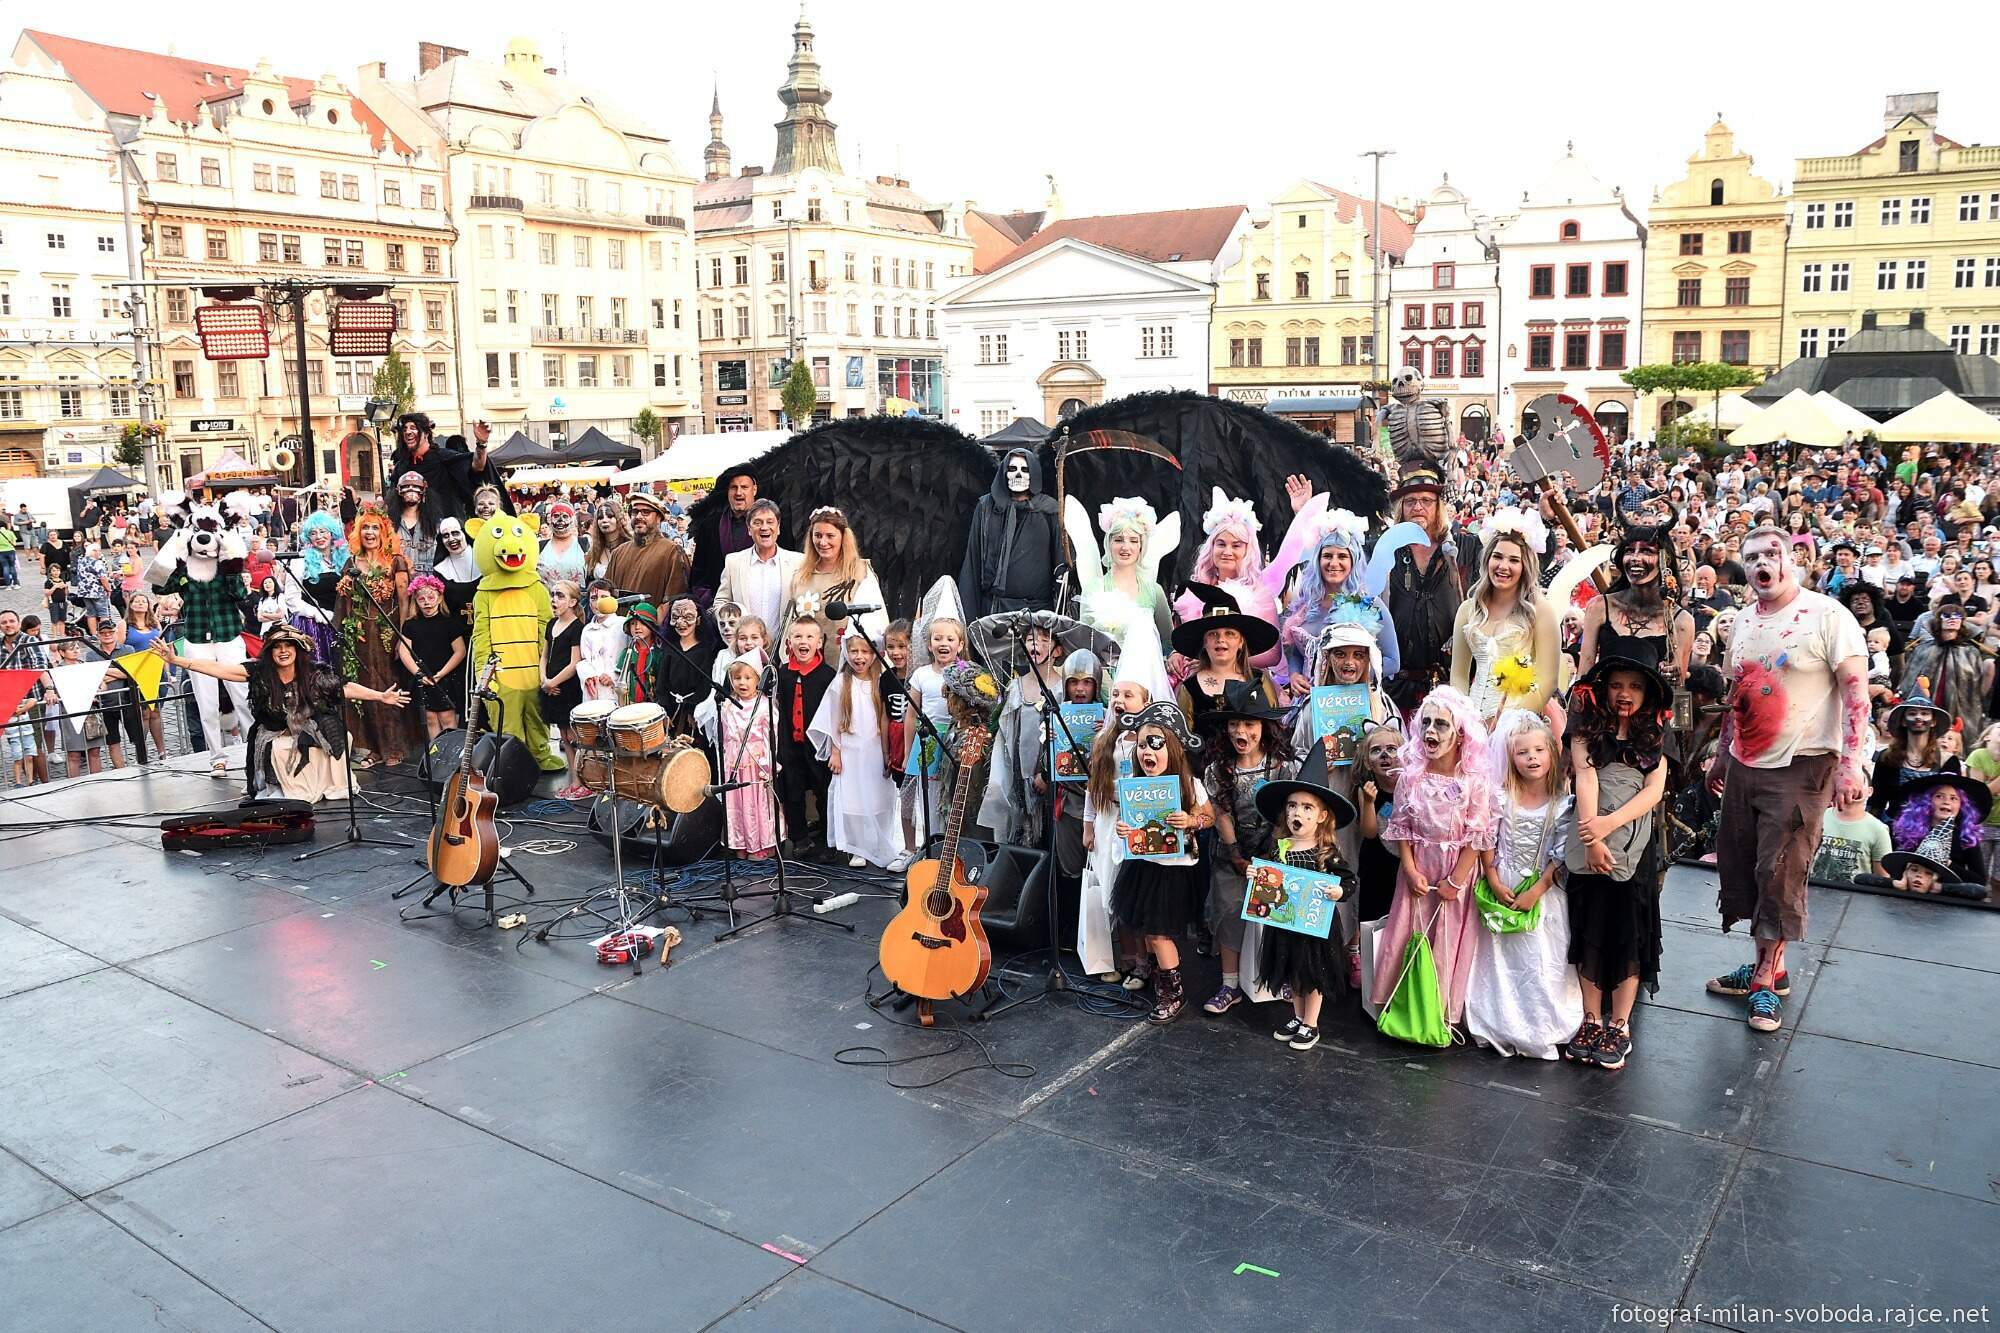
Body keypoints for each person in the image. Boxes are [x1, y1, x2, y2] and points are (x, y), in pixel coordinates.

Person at [1707, 525, 1868, 1035]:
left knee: (1780, 873)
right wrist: (1720, 755)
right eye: (1752, 556)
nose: (1762, 563)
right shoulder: (1744, 622)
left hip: (1801, 767)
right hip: (1744, 764)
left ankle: (1763, 982)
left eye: (1771, 553)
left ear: (1795, 558)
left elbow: (1857, 691)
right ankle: (1767, 967)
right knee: (1746, 867)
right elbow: (1738, 694)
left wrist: (1851, 763)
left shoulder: (1829, 616)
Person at [154, 625, 408, 802]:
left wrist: (380, 696)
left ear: (298, 650)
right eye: (277, 647)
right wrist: (178, 662)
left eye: (289, 646)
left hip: (308, 728)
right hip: (274, 732)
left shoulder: (314, 673)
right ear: (270, 652)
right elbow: (219, 669)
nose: (283, 651)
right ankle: (288, 789)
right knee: (280, 748)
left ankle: (329, 785)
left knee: (338, 733)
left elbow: (345, 687)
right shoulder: (260, 672)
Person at [1562, 657, 1670, 1070]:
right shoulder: (1586, 730)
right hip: (1589, 840)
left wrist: (1609, 824)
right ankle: (1591, 1018)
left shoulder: (1657, 736)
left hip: (1634, 850)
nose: (1625, 694)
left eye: (1635, 686)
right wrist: (1593, 838)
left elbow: (1653, 791)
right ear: (1604, 689)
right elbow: (1585, 778)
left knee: (1629, 932)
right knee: (1588, 926)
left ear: (1646, 694)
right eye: (1617, 685)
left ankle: (1619, 1025)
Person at [1373, 686, 1496, 1026]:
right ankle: (1400, 1007)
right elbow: (1402, 827)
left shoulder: (1474, 780)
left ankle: (1437, 1012)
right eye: (1426, 722)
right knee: (1408, 932)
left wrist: (1456, 880)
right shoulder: (1410, 776)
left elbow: (1477, 836)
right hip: (1419, 868)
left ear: (1459, 733)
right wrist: (1410, 871)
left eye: (1441, 724)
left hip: (1456, 871)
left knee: (1446, 939)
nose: (1430, 731)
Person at [1465, 711, 1581, 1060]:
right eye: (1523, 752)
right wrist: (1494, 879)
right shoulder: (1501, 798)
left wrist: (1538, 888)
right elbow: (1487, 839)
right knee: (1503, 956)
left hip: (1544, 892)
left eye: (1539, 750)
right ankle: (1500, 1019)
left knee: (1541, 956)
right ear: (1510, 758)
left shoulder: (1562, 803)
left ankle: (1542, 1024)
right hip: (1505, 882)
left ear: (1551, 753)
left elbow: (1560, 853)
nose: (1532, 758)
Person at [1103, 700, 1214, 1024]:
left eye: (1156, 744)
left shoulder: (1190, 785)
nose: (1146, 752)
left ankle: (1173, 993)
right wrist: (1125, 827)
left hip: (1174, 871)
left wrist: (1191, 821)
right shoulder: (1132, 786)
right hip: (1144, 867)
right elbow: (1131, 821)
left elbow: (1208, 817)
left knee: (1159, 934)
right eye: (1141, 745)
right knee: (1149, 933)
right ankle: (1160, 981)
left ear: (1174, 748)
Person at [1199, 683, 1297, 1016]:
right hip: (1233, 852)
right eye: (1235, 724)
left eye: (1249, 724)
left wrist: (1274, 853)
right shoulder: (1217, 769)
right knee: (1229, 910)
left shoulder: (1281, 766)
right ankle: (1230, 984)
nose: (1241, 731)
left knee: (1278, 914)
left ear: (1263, 728)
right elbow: (1222, 813)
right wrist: (1236, 853)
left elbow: (1289, 813)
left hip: (1275, 848)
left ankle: (1280, 975)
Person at [1249, 738, 1354, 1051]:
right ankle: (1297, 1016)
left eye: (1307, 807)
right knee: (1292, 973)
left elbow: (1349, 881)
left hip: (1315, 929)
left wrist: (1338, 891)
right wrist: (1257, 875)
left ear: (1321, 816)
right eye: (1292, 805)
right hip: (1285, 926)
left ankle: (1311, 1023)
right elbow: (1268, 879)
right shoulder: (1279, 847)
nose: (1298, 812)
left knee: (1312, 975)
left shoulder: (1326, 852)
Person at [1170, 480, 1324, 677]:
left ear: (1247, 551)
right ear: (1211, 548)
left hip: (1245, 687)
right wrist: (1177, 654)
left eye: (1236, 545)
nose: (1227, 551)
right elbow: (1185, 642)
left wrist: (1221, 661)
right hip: (1198, 686)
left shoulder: (1260, 593)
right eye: (1221, 544)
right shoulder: (1194, 592)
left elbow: (1272, 655)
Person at [1449, 509, 1561, 727]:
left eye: (1514, 560)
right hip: (1473, 726)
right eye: (1497, 557)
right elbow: (1459, 677)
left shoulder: (1539, 610)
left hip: (1519, 726)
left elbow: (1548, 680)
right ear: (1487, 560)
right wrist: (1465, 720)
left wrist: (1509, 726)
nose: (1503, 566)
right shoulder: (1467, 610)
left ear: (1525, 566)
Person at [807, 631, 903, 870]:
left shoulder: (881, 680)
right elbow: (831, 718)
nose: (859, 657)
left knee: (879, 795)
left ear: (875, 654)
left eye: (865, 651)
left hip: (874, 749)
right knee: (853, 799)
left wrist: (888, 753)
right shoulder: (841, 682)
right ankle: (857, 847)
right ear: (845, 653)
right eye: (854, 651)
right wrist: (836, 752)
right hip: (850, 751)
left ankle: (879, 842)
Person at [1277, 509, 1398, 694]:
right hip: (1308, 705)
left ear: (1353, 561)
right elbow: (1296, 653)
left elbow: (1393, 661)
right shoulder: (1304, 604)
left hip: (1352, 702)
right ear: (1318, 560)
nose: (1334, 563)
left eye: (1342, 556)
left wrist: (1348, 675)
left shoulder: (1368, 605)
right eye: (1327, 556)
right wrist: (1294, 675)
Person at [1576, 512, 1696, 684]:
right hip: (1602, 707)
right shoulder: (1600, 607)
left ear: (1665, 559)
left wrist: (1671, 675)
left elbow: (1678, 686)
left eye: (1646, 551)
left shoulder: (1681, 621)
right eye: (1630, 551)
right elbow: (1584, 675)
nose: (1635, 558)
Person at [337, 509, 414, 769]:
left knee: (388, 686)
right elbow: (343, 602)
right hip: (358, 636)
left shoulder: (396, 562)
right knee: (364, 688)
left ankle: (393, 745)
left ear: (384, 532)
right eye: (365, 528)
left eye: (375, 528)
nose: (370, 533)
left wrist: (403, 637)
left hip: (387, 635)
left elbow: (404, 602)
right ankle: (372, 747)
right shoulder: (350, 563)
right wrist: (342, 636)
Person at [975, 619, 1062, 848]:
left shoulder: (1063, 689)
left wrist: (1047, 773)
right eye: (1031, 639)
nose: (1037, 644)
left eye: (1045, 640)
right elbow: (1005, 732)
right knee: (1016, 833)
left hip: (1050, 777)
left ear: (1057, 650)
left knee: (1046, 833)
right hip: (1018, 776)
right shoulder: (1016, 686)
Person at [1382, 470, 1463, 711]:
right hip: (1396, 685)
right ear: (1401, 509)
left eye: (1426, 501)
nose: (1418, 507)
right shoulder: (1386, 550)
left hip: (1447, 683)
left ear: (1438, 507)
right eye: (1410, 501)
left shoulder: (1461, 550)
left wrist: (1549, 515)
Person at [960, 447, 1063, 622]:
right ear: (1004, 472)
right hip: (995, 611)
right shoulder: (987, 507)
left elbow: (1060, 562)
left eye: (1025, 470)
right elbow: (973, 560)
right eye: (1012, 469)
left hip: (1038, 612)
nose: (1018, 475)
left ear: (1034, 475)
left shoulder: (1049, 509)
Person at [1063, 494, 1178, 644]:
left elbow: (1168, 642)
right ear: (1109, 544)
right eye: (1118, 540)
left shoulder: (1154, 591)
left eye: (1133, 540)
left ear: (1141, 546)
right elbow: (1085, 642)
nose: (1126, 547)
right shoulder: (1095, 588)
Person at [1171, 582, 1279, 725]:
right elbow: (1184, 738)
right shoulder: (1190, 688)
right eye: (1213, 634)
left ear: (1241, 642)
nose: (1221, 639)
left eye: (1229, 634)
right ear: (1204, 643)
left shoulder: (1259, 680)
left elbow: (1273, 730)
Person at [781, 506, 887, 647]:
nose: (823, 542)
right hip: (808, 661)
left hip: (850, 659)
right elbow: (792, 623)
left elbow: (874, 621)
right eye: (818, 535)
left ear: (843, 537)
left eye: (830, 536)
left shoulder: (860, 573)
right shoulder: (801, 576)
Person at [774, 617, 835, 858]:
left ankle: (826, 839)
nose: (803, 641)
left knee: (823, 790)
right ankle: (799, 838)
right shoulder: (782, 673)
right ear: (789, 641)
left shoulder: (827, 675)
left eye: (810, 637)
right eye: (798, 636)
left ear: (819, 643)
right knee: (793, 792)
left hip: (817, 746)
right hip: (791, 744)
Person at [712, 648, 779, 859]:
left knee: (756, 804)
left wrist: (769, 763)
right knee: (738, 804)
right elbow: (723, 736)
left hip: (756, 763)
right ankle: (740, 842)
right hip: (735, 762)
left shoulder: (764, 705)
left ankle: (760, 844)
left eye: (748, 678)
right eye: (737, 678)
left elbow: (771, 736)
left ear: (757, 679)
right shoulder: (727, 706)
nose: (742, 683)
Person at [387, 415, 504, 524]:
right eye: (405, 429)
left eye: (413, 428)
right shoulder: (402, 467)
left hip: (448, 533)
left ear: (426, 433)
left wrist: (481, 444)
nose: (408, 432)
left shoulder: (445, 458)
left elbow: (477, 467)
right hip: (415, 535)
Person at [1900, 599, 1989, 740]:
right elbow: (1909, 680)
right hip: (1927, 704)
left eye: (1957, 616)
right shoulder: (1923, 648)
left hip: (1960, 709)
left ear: (1962, 622)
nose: (1952, 619)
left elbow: (1975, 690)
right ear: (1938, 620)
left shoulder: (1971, 652)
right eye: (1947, 616)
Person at [715, 499, 804, 636]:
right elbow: (721, 601)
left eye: (770, 522)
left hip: (785, 650)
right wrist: (729, 628)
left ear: (778, 527)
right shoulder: (734, 562)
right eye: (757, 522)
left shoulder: (798, 562)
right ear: (749, 529)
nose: (764, 527)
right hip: (746, 649)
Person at [1886, 772, 1989, 886]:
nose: (1946, 802)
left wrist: (1947, 865)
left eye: (1953, 798)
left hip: (1947, 898)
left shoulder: (1966, 838)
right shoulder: (1908, 832)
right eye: (1939, 796)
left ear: (1962, 806)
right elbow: (1892, 868)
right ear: (1927, 801)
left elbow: (1980, 881)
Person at [396, 574, 466, 741]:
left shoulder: (450, 623)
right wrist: (418, 673)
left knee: (447, 718)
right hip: (423, 677)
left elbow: (460, 651)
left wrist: (442, 673)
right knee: (430, 719)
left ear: (440, 598)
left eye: (430, 597)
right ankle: (436, 758)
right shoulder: (411, 624)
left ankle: (452, 756)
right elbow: (404, 651)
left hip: (445, 677)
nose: (426, 602)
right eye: (421, 599)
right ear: (416, 601)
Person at [1868, 691, 1958, 817]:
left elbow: (1952, 803)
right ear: (1904, 722)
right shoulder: (1887, 758)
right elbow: (1877, 801)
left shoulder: (1947, 761)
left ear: (1933, 722)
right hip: (1893, 828)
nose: (1918, 717)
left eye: (1925, 713)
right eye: (1912, 713)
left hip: (1932, 831)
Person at [689, 466, 759, 611]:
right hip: (718, 610)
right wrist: (707, 601)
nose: (738, 493)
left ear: (754, 490)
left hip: (757, 608)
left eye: (744, 487)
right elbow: (698, 571)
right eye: (734, 487)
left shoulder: (768, 525)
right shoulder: (710, 525)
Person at [541, 580, 587, 799]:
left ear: (572, 601)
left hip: (567, 688)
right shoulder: (551, 624)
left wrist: (554, 682)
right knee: (564, 737)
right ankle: (574, 780)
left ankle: (584, 780)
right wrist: (544, 679)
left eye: (560, 596)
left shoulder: (577, 628)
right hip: (552, 686)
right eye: (553, 595)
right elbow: (545, 654)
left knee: (574, 736)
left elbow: (574, 663)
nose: (554, 600)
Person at [603, 493, 689, 607]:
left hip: (652, 623)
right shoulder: (618, 553)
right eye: (635, 512)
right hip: (619, 623)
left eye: (646, 512)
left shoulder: (673, 552)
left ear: (659, 518)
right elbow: (606, 593)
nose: (638, 516)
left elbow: (675, 601)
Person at [657, 595, 717, 739]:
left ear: (698, 619)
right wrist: (664, 710)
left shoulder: (705, 651)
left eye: (687, 617)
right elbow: (662, 683)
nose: (681, 623)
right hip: (671, 711)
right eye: (676, 617)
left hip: (695, 715)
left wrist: (693, 709)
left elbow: (705, 684)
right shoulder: (670, 648)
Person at [1809, 782, 1891, 884]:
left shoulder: (1879, 829)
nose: (1854, 788)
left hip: (1854, 897)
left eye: (1860, 782)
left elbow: (1883, 878)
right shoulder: (1817, 817)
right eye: (1849, 782)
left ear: (1870, 791)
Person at [390, 472, 438, 575]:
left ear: (423, 491)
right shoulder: (388, 523)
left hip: (428, 585)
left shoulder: (436, 524)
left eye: (416, 487)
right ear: (399, 491)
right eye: (406, 487)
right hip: (398, 583)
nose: (411, 491)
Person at [538, 501, 588, 591]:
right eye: (556, 516)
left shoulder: (584, 544)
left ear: (572, 520)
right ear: (550, 520)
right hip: (546, 602)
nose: (560, 520)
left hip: (576, 603)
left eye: (565, 516)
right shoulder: (540, 546)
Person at [586, 501, 633, 583]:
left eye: (610, 516)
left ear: (619, 518)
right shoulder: (594, 551)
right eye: (600, 518)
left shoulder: (631, 547)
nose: (604, 520)